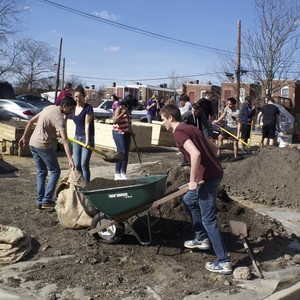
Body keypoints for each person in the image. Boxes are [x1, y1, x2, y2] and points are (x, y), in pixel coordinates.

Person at [160, 104, 232, 275]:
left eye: (163, 119)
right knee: (189, 200)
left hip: (207, 179)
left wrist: (193, 180)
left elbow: (196, 154)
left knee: (208, 220)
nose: (162, 123)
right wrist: (209, 167)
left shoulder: (178, 132)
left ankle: (224, 262)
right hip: (214, 173)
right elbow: (215, 149)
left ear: (170, 118)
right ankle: (201, 237)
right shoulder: (191, 127)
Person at [18, 97, 76, 209]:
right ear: (64, 106)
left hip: (33, 143)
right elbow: (65, 140)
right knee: (55, 171)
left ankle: (40, 201)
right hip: (43, 145)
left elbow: (31, 121)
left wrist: (24, 137)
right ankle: (47, 199)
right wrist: (70, 159)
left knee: (41, 172)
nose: (72, 111)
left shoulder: (49, 108)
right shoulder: (58, 117)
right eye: (71, 109)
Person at [72, 85, 95, 183]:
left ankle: (86, 186)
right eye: (76, 97)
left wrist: (87, 139)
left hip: (86, 137)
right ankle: (79, 184)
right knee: (77, 164)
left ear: (84, 96)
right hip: (76, 138)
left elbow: (87, 124)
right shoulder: (73, 107)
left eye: (80, 97)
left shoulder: (88, 108)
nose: (78, 99)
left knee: (84, 164)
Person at [112, 94, 138, 180]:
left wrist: (131, 132)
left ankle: (123, 173)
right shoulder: (119, 109)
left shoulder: (129, 111)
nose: (132, 107)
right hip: (118, 133)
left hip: (127, 133)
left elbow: (128, 123)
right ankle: (117, 173)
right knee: (121, 152)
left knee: (126, 154)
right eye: (131, 105)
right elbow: (115, 121)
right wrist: (123, 112)